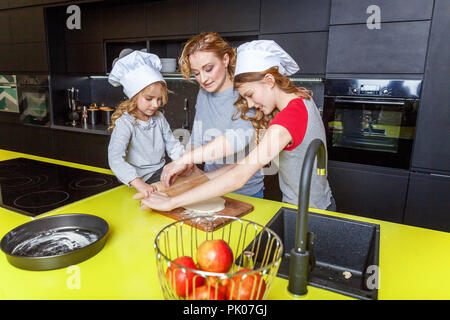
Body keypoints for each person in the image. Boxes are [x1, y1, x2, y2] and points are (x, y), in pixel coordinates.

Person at [143, 40, 334, 212]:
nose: (250, 104)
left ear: (269, 81)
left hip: (311, 215)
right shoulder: (301, 100)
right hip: (311, 206)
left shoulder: (287, 120)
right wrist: (195, 180)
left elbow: (239, 176)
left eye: (250, 94)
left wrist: (171, 203)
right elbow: (241, 165)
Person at [160, 32, 265, 198]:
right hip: (210, 186)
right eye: (196, 73)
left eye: (208, 69)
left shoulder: (246, 92)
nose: (203, 78)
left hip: (245, 191)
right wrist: (188, 165)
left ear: (225, 59)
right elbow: (197, 138)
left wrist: (185, 159)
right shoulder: (204, 94)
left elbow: (235, 140)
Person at [107, 50, 184, 198]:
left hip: (159, 174)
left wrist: (183, 161)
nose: (156, 104)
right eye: (149, 99)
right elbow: (115, 158)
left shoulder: (159, 118)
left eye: (159, 99)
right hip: (135, 180)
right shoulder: (125, 123)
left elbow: (172, 144)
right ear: (134, 97)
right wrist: (137, 183)